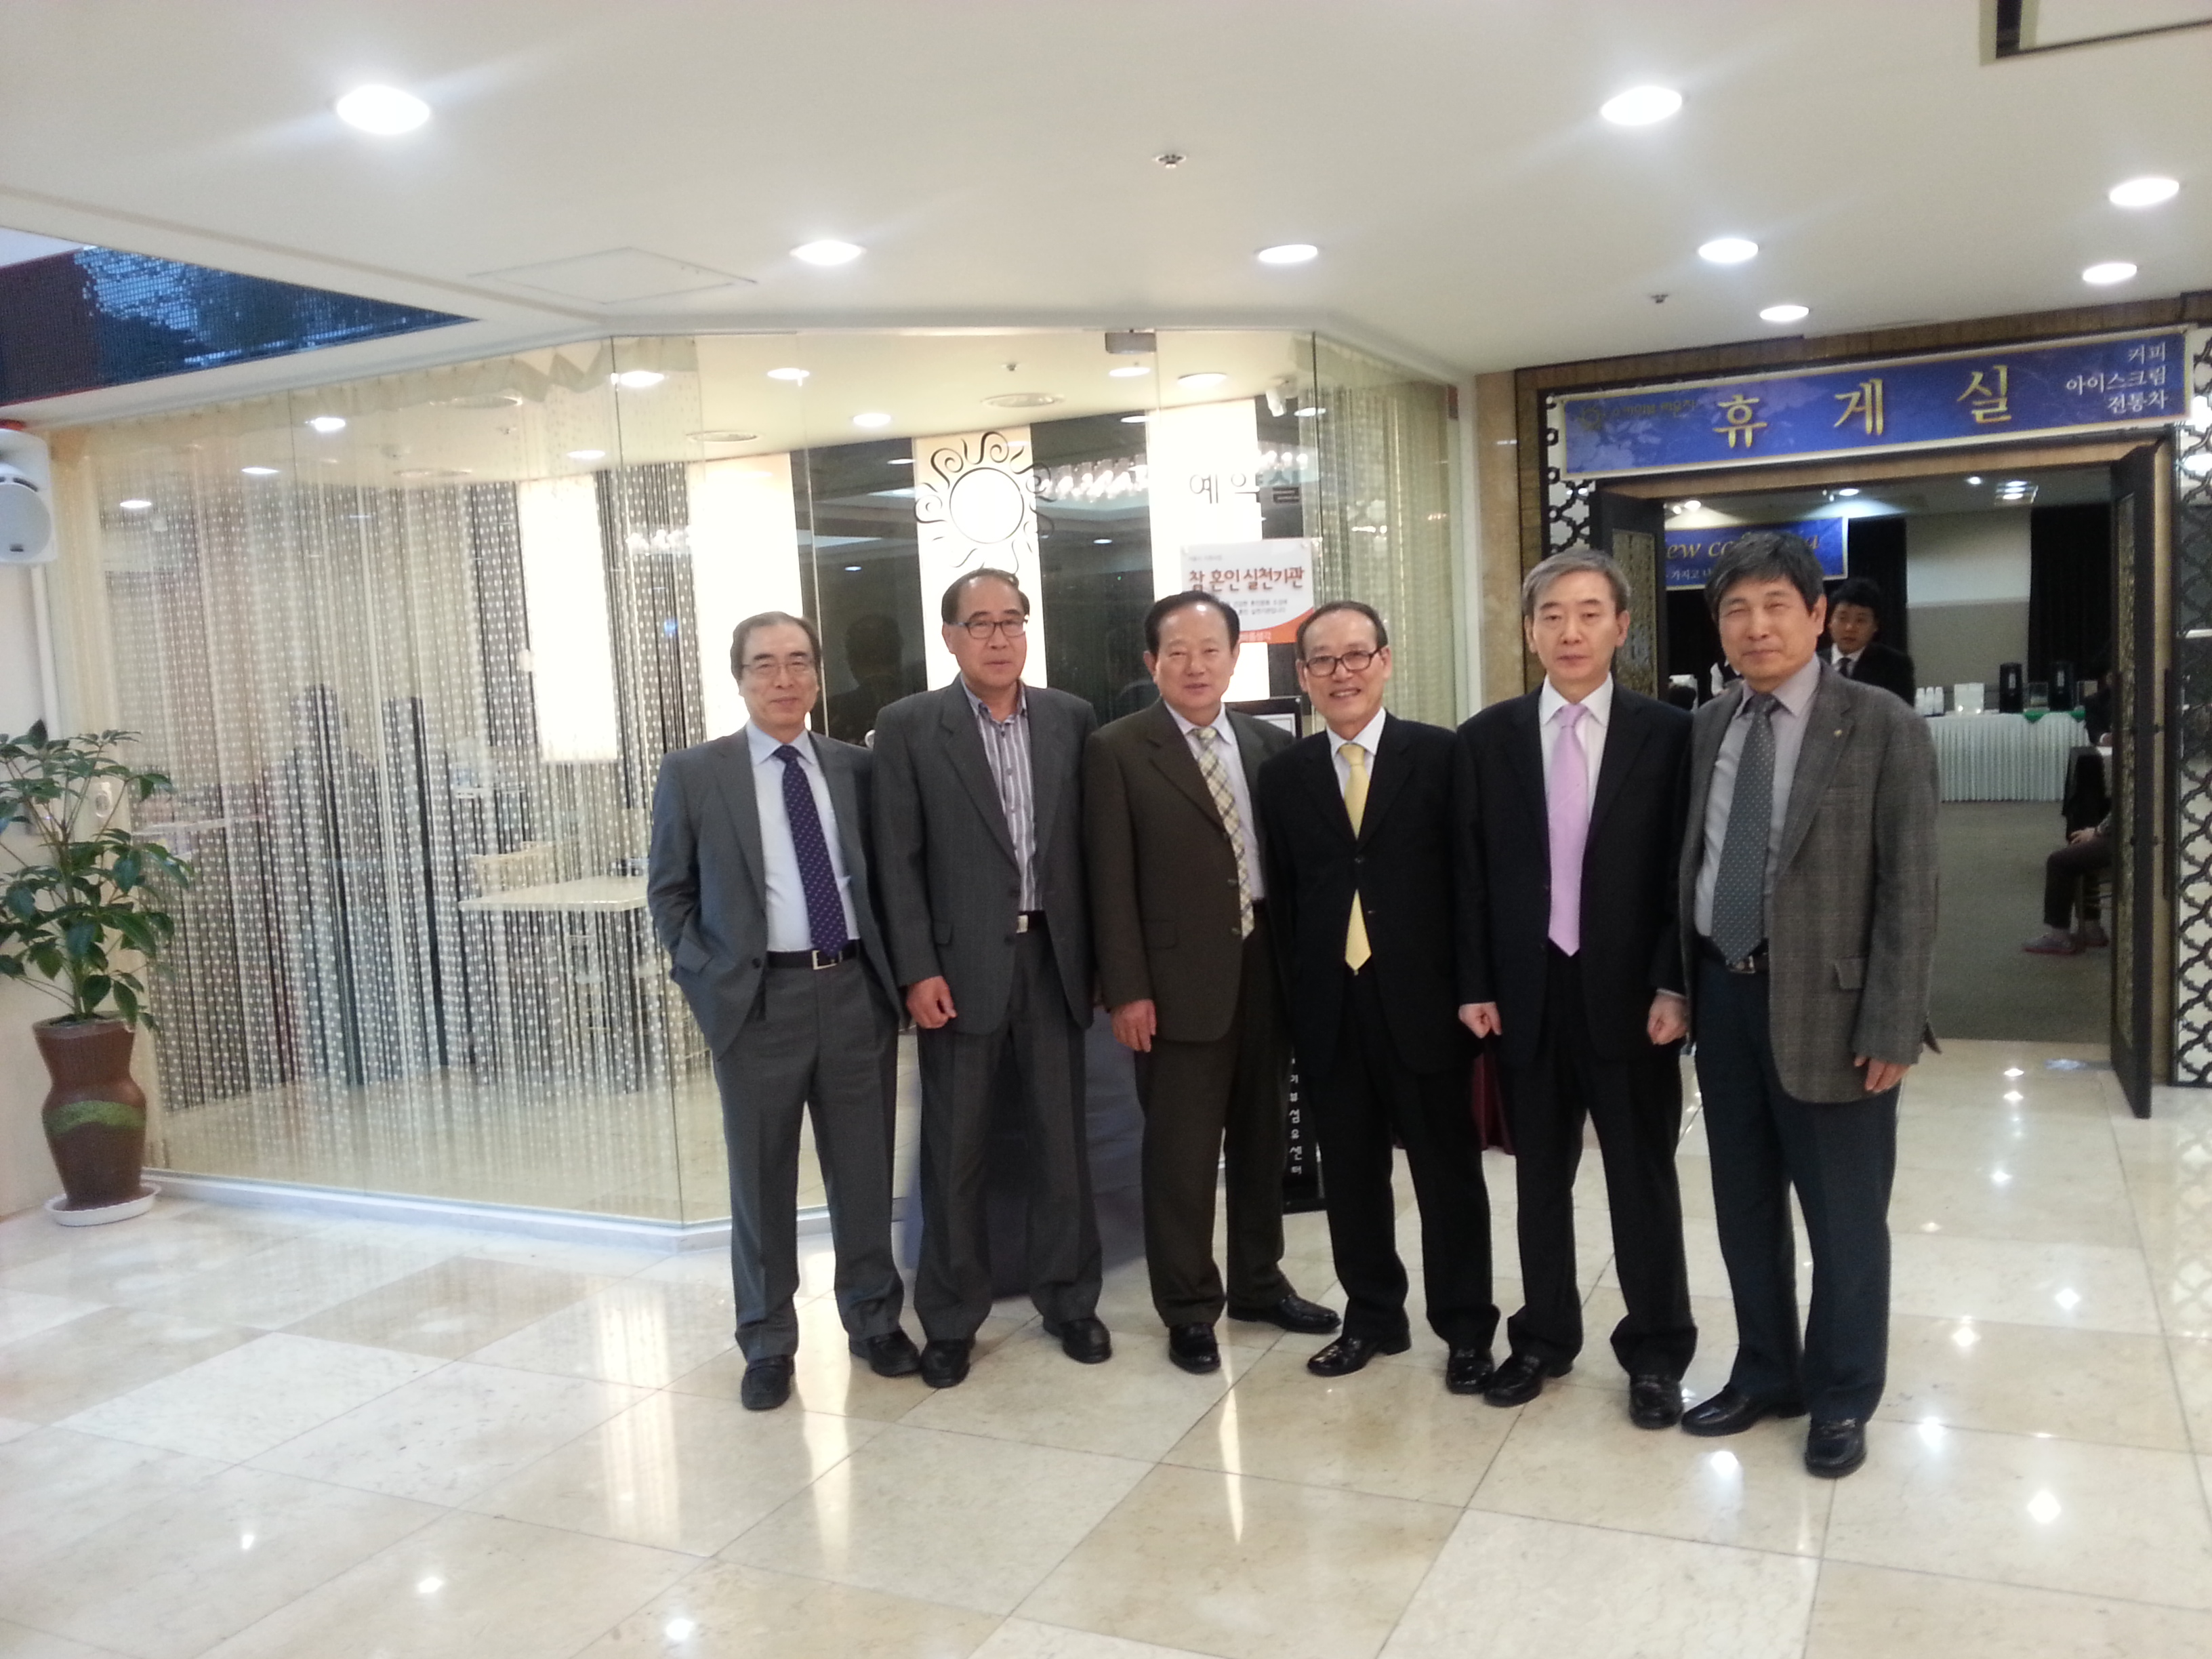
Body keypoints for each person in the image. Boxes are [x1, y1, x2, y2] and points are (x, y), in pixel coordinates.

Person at [1678, 531, 1939, 1479]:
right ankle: (1765, 1373)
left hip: (1837, 1012)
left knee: (1845, 1223)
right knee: (1745, 1209)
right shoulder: (1708, 724)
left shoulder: (1879, 723)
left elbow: (1912, 885)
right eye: (1737, 610)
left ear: (1818, 616)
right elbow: (1693, 863)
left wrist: (1894, 1021)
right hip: (1725, 998)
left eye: (1776, 606)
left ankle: (1841, 1395)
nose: (1757, 627)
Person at [646, 611, 916, 1412]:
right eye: (764, 664)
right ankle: (767, 1341)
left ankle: (874, 1320)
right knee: (761, 1181)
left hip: (854, 991)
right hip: (758, 1001)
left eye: (799, 662)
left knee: (863, 1172)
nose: (783, 678)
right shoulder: (696, 773)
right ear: (739, 678)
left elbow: (886, 878)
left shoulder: (856, 768)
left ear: (819, 676)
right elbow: (669, 891)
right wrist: (709, 979)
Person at [1453, 550, 1697, 1427]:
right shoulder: (1486, 739)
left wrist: (1674, 983)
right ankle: (1544, 1338)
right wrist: (1475, 983)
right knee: (1538, 1185)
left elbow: (1682, 874)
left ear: (1622, 628)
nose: (1571, 631)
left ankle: (1657, 1351)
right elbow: (1469, 874)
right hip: (1527, 995)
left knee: (1642, 1182)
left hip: (1633, 1000)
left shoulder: (1669, 736)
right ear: (1529, 631)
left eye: (1590, 613)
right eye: (1552, 615)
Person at [1086, 590, 1340, 1374]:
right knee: (1182, 1155)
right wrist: (1127, 989)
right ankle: (1190, 1306)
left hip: (1267, 965)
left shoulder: (1270, 745)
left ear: (1235, 657)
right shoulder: (1118, 750)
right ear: (1152, 662)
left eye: (1211, 651)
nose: (1196, 666)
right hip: (1171, 982)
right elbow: (1109, 882)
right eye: (1179, 652)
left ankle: (1260, 1283)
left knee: (1264, 1140)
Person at [872, 568, 1108, 1387]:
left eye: (1012, 620)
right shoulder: (908, 726)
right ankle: (949, 1319)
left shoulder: (1072, 718)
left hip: (1054, 961)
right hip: (958, 971)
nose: (999, 637)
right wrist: (916, 970)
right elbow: (896, 862)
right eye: (981, 623)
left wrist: (1102, 962)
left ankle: (1070, 1301)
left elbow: (1092, 853)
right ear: (950, 637)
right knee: (956, 1153)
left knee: (1061, 1146)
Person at [1256, 600, 1498, 1391]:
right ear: (1304, 675)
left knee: (1446, 1176)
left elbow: (1471, 882)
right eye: (1324, 660)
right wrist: (1295, 1003)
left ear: (1385, 662)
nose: (1343, 673)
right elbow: (1286, 899)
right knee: (1353, 1177)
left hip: (1425, 1001)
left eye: (1357, 655)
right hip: (1332, 1005)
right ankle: (1372, 1318)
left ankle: (1466, 1329)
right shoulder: (1283, 776)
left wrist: (1475, 988)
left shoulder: (1440, 755)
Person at [2024, 817, 2112, 954]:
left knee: (2058, 862)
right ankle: (2091, 929)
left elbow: (2123, 813)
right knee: (2081, 852)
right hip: (2125, 837)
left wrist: (2097, 831)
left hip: (2123, 841)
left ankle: (2059, 937)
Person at [1823, 577, 1916, 703]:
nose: (1850, 628)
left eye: (1860, 620)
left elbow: (1902, 713)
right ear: (1829, 622)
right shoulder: (1812, 663)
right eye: (1842, 618)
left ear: (1875, 626)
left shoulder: (1895, 666)